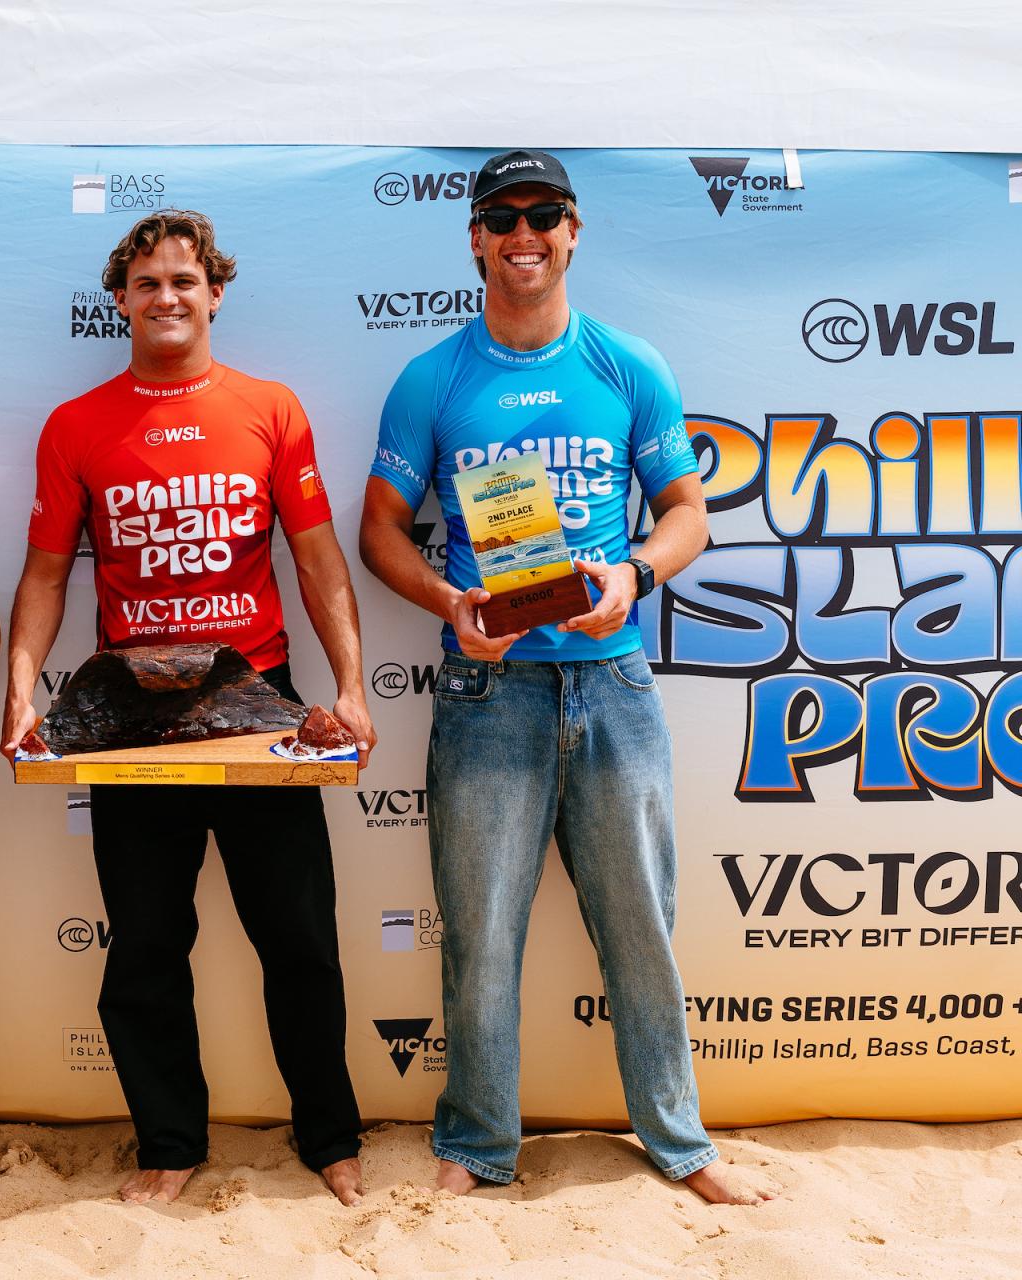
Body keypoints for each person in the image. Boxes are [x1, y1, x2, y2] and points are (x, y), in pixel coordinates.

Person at [359, 150, 768, 1205]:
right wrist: (451, 603)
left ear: (574, 231)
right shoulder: (433, 377)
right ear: (476, 238)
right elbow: (378, 533)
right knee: (481, 932)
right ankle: (477, 1142)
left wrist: (634, 571)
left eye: (544, 213)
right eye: (504, 215)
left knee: (642, 924)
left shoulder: (630, 364)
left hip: (614, 684)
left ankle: (681, 1141)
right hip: (486, 692)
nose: (524, 231)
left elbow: (688, 514)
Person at [0, 211, 375, 1206]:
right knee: (147, 946)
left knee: (299, 940)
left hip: (260, 709)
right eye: (147, 282)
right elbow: (43, 578)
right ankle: (169, 1144)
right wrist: (18, 694)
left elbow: (319, 560)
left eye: (185, 281)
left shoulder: (270, 407)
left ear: (215, 293)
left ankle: (331, 1136)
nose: (167, 298)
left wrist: (350, 689)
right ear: (118, 299)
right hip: (135, 719)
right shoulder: (75, 424)